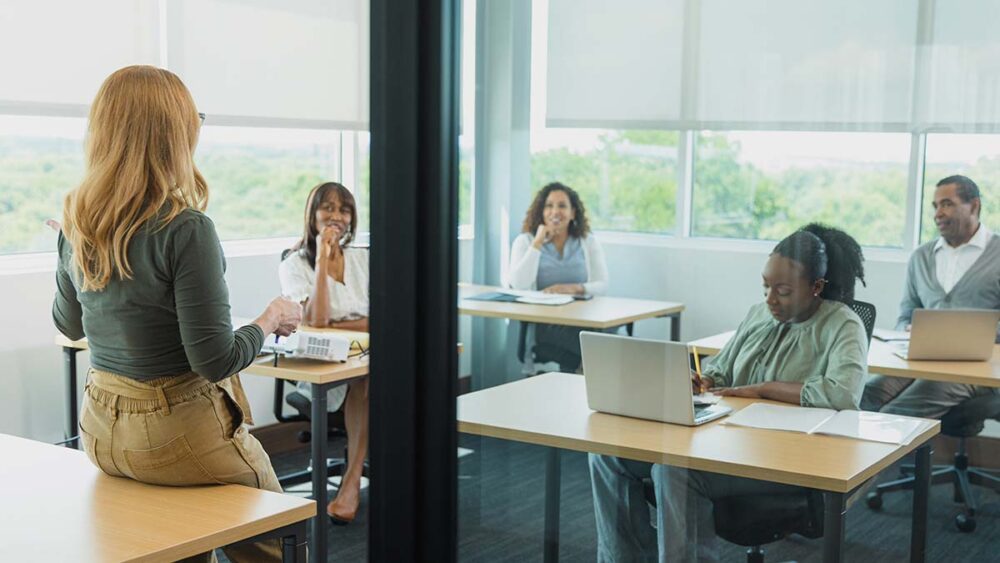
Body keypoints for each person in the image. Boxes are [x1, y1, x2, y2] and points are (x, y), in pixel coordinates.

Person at [52, 65, 302, 563]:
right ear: (173, 133)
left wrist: (66, 249)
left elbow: (70, 324)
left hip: (100, 432)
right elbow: (214, 360)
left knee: (180, 541)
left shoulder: (75, 221)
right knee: (281, 536)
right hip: (177, 434)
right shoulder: (187, 228)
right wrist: (270, 318)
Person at [589, 224, 868, 562]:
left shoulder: (842, 324)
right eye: (766, 286)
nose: (770, 299)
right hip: (727, 444)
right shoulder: (759, 314)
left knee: (673, 469)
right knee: (608, 452)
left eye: (783, 290)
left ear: (815, 287)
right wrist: (701, 379)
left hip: (783, 459)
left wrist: (762, 390)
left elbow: (843, 394)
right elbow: (721, 370)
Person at [862, 175, 1000, 418]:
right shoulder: (921, 257)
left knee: (898, 414)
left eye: (947, 204)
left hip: (978, 370)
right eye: (935, 206)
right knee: (866, 397)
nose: (938, 213)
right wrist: (907, 328)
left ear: (974, 206)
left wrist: (972, 337)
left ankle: (896, 457)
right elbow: (906, 314)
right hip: (921, 362)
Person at [279, 181, 369, 525]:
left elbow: (386, 317)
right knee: (367, 375)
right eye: (328, 208)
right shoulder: (293, 263)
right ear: (312, 214)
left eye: (344, 209)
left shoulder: (362, 258)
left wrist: (340, 323)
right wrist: (321, 261)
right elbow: (315, 322)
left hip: (362, 362)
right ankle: (352, 481)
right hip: (322, 367)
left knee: (369, 372)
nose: (336, 216)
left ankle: (353, 473)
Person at [508, 182, 608, 370]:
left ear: (573, 213)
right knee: (595, 343)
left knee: (604, 332)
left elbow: (602, 284)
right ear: (541, 211)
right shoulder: (525, 241)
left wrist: (575, 288)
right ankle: (585, 377)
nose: (555, 211)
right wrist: (537, 243)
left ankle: (580, 373)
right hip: (545, 324)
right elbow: (518, 284)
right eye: (549, 206)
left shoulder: (587, 242)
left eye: (562, 206)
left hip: (583, 317)